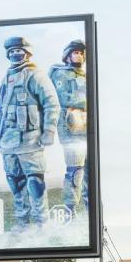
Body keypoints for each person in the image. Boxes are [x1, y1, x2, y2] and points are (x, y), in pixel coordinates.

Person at [0, 36, 60, 231]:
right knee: (15, 181)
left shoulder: (36, 76)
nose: (15, 54)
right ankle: (23, 222)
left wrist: (49, 131)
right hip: (7, 142)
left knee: (35, 182)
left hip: (31, 140)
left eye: (18, 51)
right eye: (11, 52)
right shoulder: (6, 79)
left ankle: (41, 223)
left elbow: (51, 104)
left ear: (27, 53)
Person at [50, 39, 88, 215]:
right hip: (71, 128)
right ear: (67, 56)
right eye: (75, 52)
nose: (79, 55)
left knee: (89, 172)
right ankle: (69, 210)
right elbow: (63, 98)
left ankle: (89, 210)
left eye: (81, 53)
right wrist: (89, 101)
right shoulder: (60, 74)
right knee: (75, 171)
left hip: (87, 128)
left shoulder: (85, 76)